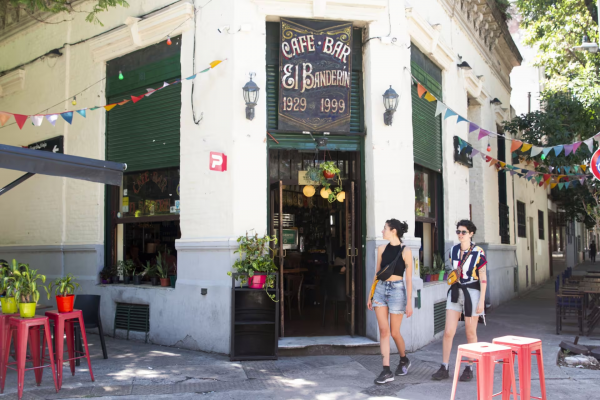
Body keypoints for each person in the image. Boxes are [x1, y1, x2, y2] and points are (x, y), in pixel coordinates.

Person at [432, 219, 487, 382]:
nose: (460, 235)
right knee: (448, 331)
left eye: (463, 232)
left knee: (471, 332)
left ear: (471, 234)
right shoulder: (452, 251)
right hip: (456, 291)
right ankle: (444, 366)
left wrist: (482, 300)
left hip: (472, 292)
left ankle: (469, 368)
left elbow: (483, 277)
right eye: (458, 232)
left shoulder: (479, 252)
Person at [368, 219, 413, 384]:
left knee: (395, 332)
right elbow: (377, 273)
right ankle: (386, 370)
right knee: (383, 330)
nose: (382, 231)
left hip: (397, 291)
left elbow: (408, 279)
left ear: (393, 231)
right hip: (380, 289)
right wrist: (370, 295)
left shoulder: (406, 250)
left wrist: (409, 302)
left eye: (384, 228)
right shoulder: (381, 248)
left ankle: (404, 359)